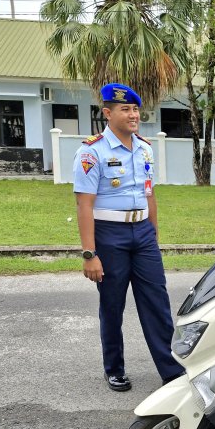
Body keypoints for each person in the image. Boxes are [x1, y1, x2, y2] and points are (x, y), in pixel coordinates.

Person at [72, 83, 184, 392]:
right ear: (108, 113)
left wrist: (154, 234)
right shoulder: (91, 152)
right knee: (112, 304)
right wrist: (89, 253)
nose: (133, 114)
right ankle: (114, 368)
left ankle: (172, 371)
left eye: (135, 109)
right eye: (126, 109)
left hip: (143, 233)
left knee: (158, 303)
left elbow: (150, 194)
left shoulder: (145, 148)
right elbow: (84, 204)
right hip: (110, 235)